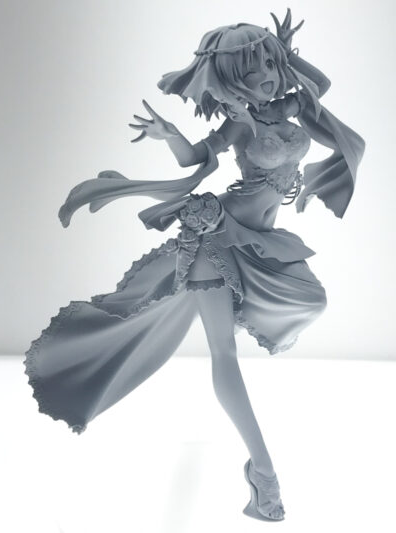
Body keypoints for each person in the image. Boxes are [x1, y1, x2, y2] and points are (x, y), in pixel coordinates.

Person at [24, 9, 365, 522]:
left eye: (268, 64)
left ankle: (246, 339)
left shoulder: (289, 106)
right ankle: (264, 473)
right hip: (216, 234)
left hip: (261, 241)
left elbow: (322, 85)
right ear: (229, 79)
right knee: (224, 353)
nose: (265, 76)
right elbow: (192, 160)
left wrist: (285, 52)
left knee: (312, 300)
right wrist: (168, 134)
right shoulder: (239, 123)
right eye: (250, 69)